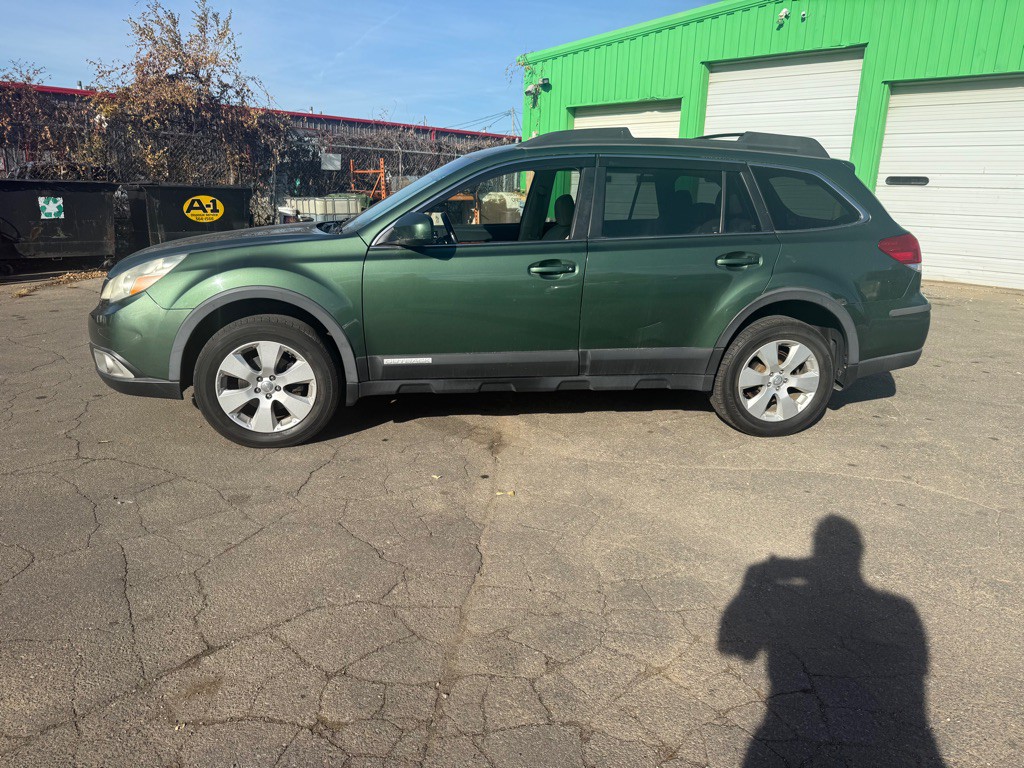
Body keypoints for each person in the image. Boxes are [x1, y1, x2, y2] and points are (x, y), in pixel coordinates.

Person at [718, 515, 946, 767]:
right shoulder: (901, 609)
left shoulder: (899, 609)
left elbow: (735, 647)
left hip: (785, 726)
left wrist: (758, 578)